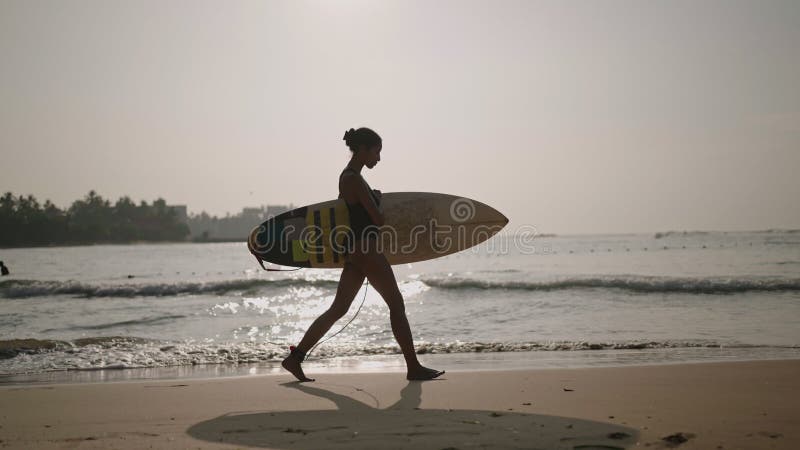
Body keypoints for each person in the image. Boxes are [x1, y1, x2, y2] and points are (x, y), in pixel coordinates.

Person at [282, 127, 444, 382]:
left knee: (338, 308)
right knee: (396, 305)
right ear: (363, 150)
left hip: (354, 250)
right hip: (366, 249)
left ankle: (295, 357)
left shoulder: (347, 178)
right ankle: (413, 367)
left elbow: (348, 212)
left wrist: (371, 197)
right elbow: (377, 219)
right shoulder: (354, 179)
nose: (378, 159)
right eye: (376, 152)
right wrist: (376, 200)